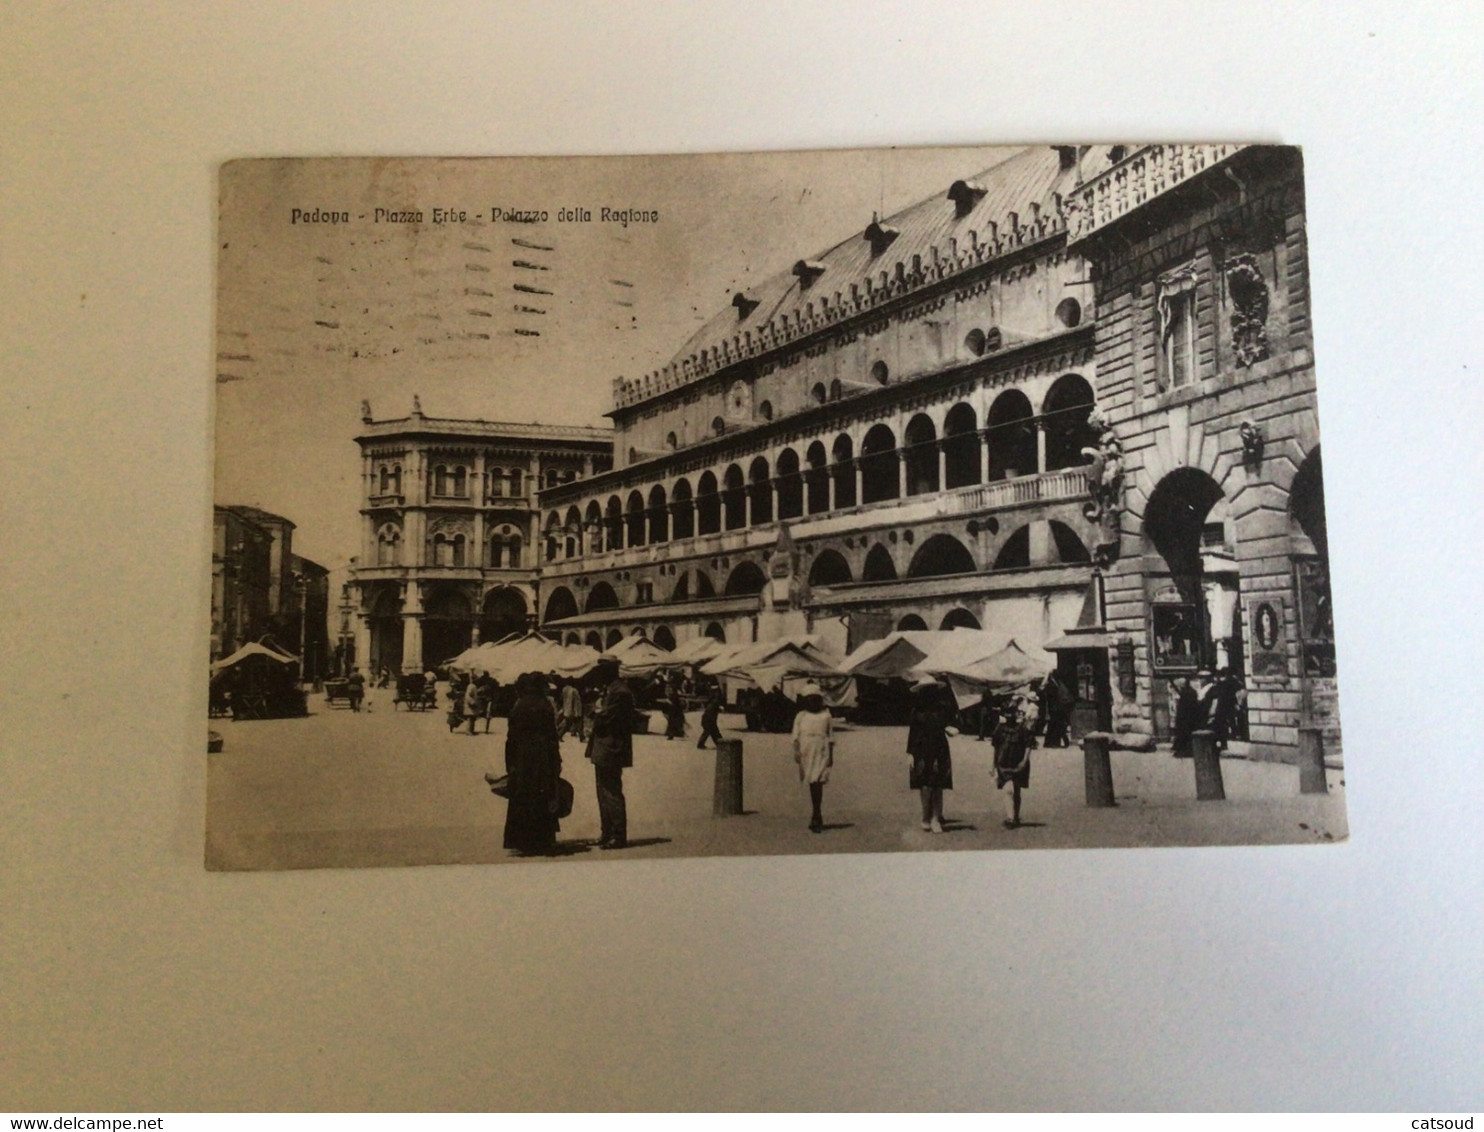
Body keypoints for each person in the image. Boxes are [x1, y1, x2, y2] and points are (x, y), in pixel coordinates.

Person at [501, 672, 563, 857]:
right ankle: (542, 840)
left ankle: (522, 841)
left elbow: (511, 737)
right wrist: (556, 759)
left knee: (523, 796)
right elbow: (552, 736)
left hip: (522, 758)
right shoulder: (546, 705)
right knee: (542, 795)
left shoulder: (518, 705)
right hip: (542, 758)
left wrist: (509, 762)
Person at [585, 658, 635, 850]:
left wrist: (595, 712)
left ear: (609, 671)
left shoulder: (620, 692)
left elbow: (606, 718)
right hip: (605, 747)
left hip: (612, 747)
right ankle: (606, 833)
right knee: (602, 792)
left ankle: (618, 835)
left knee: (612, 792)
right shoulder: (612, 690)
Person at [906, 678, 954, 834]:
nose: (929, 693)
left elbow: (952, 724)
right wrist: (910, 753)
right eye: (926, 690)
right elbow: (913, 733)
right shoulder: (916, 711)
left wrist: (950, 729)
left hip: (939, 748)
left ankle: (935, 818)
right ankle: (925, 816)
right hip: (921, 749)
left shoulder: (943, 709)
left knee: (938, 784)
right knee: (924, 785)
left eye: (932, 690)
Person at [791, 685, 834, 832]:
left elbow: (831, 737)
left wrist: (831, 756)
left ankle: (816, 813)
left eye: (815, 699)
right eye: (809, 700)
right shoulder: (801, 716)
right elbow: (795, 737)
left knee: (818, 781)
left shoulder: (826, 716)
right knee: (812, 781)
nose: (813, 703)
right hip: (806, 751)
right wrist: (796, 752)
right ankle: (816, 813)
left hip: (821, 750)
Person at [993, 696, 1034, 828]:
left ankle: (1015, 816)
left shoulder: (1022, 728)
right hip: (1003, 764)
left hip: (1018, 764)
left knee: (1016, 790)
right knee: (1008, 790)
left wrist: (1024, 761)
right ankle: (1010, 817)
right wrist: (993, 767)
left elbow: (1029, 745)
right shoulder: (999, 729)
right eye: (1007, 713)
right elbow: (996, 748)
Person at [1170, 673, 1199, 758]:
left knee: (1183, 734)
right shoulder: (1193, 692)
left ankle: (1182, 750)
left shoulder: (1185, 693)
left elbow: (1182, 707)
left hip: (1184, 717)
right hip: (1191, 717)